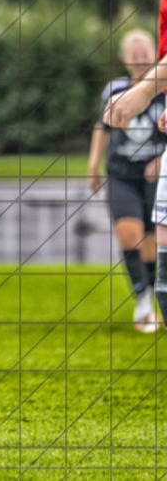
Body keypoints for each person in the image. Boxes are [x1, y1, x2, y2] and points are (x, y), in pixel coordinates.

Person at [103, 0, 167, 335]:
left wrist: (146, 89)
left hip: (156, 164)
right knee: (156, 254)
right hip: (126, 171)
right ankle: (143, 302)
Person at [87, 30, 164, 333]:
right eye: (134, 55)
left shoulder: (163, 90)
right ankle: (143, 301)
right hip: (122, 174)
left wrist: (162, 158)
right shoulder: (114, 89)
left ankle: (152, 299)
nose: (141, 59)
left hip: (157, 177)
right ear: (124, 59)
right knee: (129, 235)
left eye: (145, 53)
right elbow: (102, 126)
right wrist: (93, 163)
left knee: (151, 243)